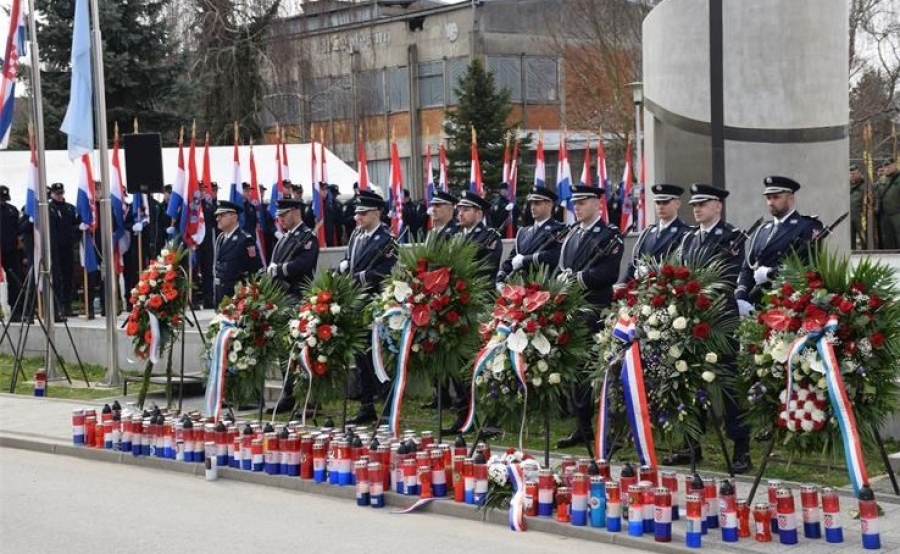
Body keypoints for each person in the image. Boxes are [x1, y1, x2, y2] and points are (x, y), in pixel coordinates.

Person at [675, 183, 752, 474]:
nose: (696, 208)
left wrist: (696, 292)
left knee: (728, 387)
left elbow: (730, 277)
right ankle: (692, 444)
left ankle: (741, 448)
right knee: (690, 380)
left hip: (720, 321)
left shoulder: (732, 237)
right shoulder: (689, 240)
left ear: (718, 206)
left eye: (703, 203)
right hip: (691, 320)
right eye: (694, 204)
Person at [555, 185, 624, 449]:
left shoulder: (608, 236)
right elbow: (562, 267)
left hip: (597, 311)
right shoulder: (572, 234)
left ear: (597, 204)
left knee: (602, 373)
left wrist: (577, 279)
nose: (577, 206)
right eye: (575, 202)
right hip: (575, 310)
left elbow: (607, 274)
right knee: (579, 374)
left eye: (583, 202)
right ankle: (582, 427)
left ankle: (609, 430)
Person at [335, 190, 398, 425]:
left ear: (375, 213)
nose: (357, 218)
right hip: (356, 303)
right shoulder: (356, 236)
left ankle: (387, 405)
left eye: (362, 213)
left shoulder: (387, 239)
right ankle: (367, 405)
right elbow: (348, 258)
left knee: (378, 357)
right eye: (357, 213)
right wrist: (344, 265)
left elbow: (387, 270)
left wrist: (360, 276)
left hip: (375, 304)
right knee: (361, 359)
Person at [736, 176, 823, 312]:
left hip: (787, 304)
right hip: (757, 305)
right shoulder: (761, 230)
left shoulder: (807, 226)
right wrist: (741, 296)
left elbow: (806, 265)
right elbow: (748, 267)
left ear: (790, 198)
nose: (771, 202)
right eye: (768, 198)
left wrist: (770, 273)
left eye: (776, 197)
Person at [620, 184, 691, 282]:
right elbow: (634, 263)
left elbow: (682, 265)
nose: (661, 206)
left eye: (665, 202)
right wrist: (621, 284)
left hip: (668, 289)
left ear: (677, 204)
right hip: (643, 289)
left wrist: (651, 270)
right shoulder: (648, 232)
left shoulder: (685, 232)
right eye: (658, 202)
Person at [496, 187, 564, 285]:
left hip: (543, 287)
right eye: (531, 203)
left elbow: (555, 256)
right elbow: (512, 258)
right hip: (520, 288)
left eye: (537, 203)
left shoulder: (559, 229)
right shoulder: (523, 232)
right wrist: (501, 277)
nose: (532, 207)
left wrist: (525, 260)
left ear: (549, 204)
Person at [267, 198, 318, 301]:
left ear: (295, 212)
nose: (280, 219)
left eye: (283, 215)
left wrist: (278, 270)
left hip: (298, 295)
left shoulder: (308, 236)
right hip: (280, 295)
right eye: (279, 216)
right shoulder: (284, 238)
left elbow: (302, 264)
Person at [212, 200, 262, 307]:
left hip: (236, 298)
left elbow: (255, 270)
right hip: (221, 294)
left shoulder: (245, 240)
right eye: (217, 215)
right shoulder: (220, 238)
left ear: (234, 217)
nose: (217, 219)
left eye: (222, 215)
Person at [48, 183, 80, 321]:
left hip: (68, 247)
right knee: (57, 278)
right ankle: (58, 307)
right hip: (55, 248)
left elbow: (76, 224)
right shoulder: (49, 209)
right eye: (57, 194)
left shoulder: (70, 208)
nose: (60, 196)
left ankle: (67, 305)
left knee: (69, 277)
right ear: (52, 194)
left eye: (61, 193)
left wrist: (76, 234)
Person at [455, 191, 502, 279]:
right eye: (459, 210)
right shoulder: (456, 235)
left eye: (466, 210)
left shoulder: (490, 236)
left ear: (479, 214)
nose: (460, 214)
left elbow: (487, 268)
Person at [0, 185, 24, 321]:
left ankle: (16, 310)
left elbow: (18, 228)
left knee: (14, 281)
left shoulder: (12, 210)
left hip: (11, 250)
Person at [876, 158, 900, 250]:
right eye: (885, 167)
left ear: (895, 165)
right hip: (884, 214)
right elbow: (875, 194)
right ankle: (889, 257)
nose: (887, 169)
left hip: (897, 213)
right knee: (887, 238)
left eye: (889, 166)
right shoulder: (881, 181)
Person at [850, 164, 867, 250]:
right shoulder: (846, 186)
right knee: (850, 239)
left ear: (860, 173)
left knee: (863, 237)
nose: (852, 176)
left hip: (861, 217)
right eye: (851, 174)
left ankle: (866, 254)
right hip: (850, 217)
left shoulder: (865, 186)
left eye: (855, 173)